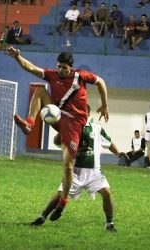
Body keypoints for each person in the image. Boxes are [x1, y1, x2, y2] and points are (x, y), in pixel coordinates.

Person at [6, 46, 109, 221]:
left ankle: (63, 202)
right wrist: (18, 57)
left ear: (71, 67)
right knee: (40, 91)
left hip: (75, 123)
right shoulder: (52, 75)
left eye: (65, 68)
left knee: (68, 166)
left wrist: (104, 104)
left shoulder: (81, 76)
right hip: (58, 115)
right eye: (59, 66)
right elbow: (31, 68)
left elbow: (101, 82)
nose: (61, 70)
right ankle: (30, 123)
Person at [30, 105, 124, 232]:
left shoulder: (96, 128)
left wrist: (118, 153)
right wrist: (62, 130)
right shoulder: (71, 127)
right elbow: (57, 141)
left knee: (106, 193)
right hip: (75, 172)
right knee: (59, 195)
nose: (81, 114)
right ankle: (42, 217)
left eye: (84, 112)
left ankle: (110, 224)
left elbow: (109, 143)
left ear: (88, 114)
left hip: (94, 172)